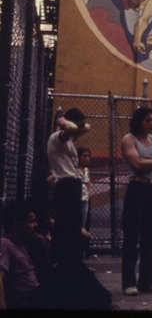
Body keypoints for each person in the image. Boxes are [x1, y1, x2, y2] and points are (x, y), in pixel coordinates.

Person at [121, 107, 152, 296]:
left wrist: (150, 162)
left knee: (150, 237)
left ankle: (147, 281)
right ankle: (129, 283)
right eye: (148, 120)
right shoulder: (129, 139)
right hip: (137, 189)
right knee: (132, 236)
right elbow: (137, 165)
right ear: (139, 121)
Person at [47, 107, 91, 271]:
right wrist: (61, 120)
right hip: (65, 185)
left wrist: (76, 125)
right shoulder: (58, 137)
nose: (78, 129)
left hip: (73, 185)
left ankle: (73, 263)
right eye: (76, 125)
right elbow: (72, 128)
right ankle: (63, 263)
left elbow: (86, 127)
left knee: (74, 227)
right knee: (65, 227)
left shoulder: (68, 140)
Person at [76, 147, 92, 257]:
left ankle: (80, 253)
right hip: (76, 200)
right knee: (76, 226)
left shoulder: (86, 170)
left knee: (82, 226)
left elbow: (88, 183)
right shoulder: (73, 169)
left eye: (88, 156)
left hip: (84, 200)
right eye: (84, 156)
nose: (87, 158)